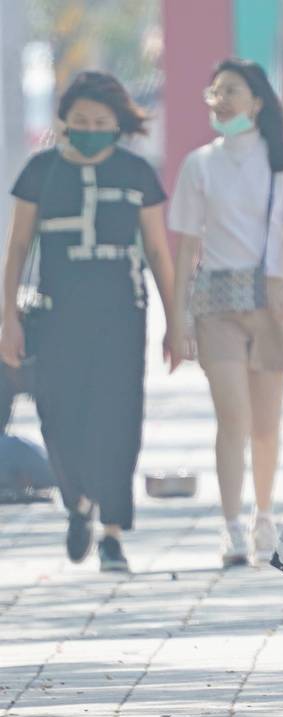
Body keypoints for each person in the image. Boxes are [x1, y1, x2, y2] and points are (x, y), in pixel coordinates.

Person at [0, 71, 177, 571]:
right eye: (81, 121)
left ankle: (113, 531)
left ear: (118, 124)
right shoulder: (39, 172)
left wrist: (176, 323)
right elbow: (16, 248)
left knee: (119, 417)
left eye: (101, 121)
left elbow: (159, 252)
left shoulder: (136, 173)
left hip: (122, 312)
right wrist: (7, 317)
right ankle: (78, 502)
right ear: (64, 122)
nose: (91, 128)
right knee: (60, 415)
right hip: (56, 316)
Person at [169, 58, 283, 567]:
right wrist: (177, 317)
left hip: (271, 296)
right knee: (231, 416)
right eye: (216, 91)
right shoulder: (199, 164)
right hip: (215, 301)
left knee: (266, 424)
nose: (222, 99)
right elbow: (185, 246)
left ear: (257, 101)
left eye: (233, 90)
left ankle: (264, 515)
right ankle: (231, 524)